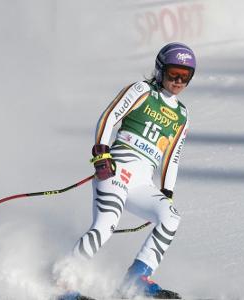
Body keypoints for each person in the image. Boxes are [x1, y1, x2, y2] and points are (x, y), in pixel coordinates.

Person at [57, 42, 196, 300]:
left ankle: (136, 278)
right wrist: (102, 153)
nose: (178, 80)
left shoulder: (182, 115)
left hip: (143, 184)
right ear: (160, 70)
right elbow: (109, 116)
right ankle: (63, 283)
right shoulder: (142, 90)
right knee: (105, 226)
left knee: (170, 217)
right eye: (173, 73)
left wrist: (166, 193)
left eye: (185, 76)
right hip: (116, 171)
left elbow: (172, 157)